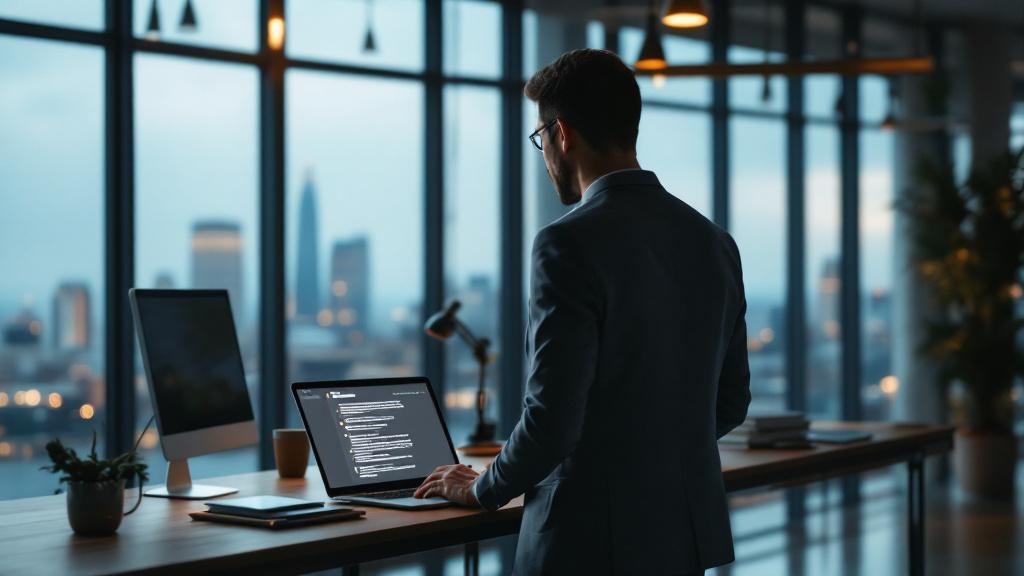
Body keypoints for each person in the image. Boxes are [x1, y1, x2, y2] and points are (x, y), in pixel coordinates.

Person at [414, 48, 751, 576]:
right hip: (682, 534)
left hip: (587, 544)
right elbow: (730, 401)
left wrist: (483, 487)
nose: (544, 154)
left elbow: (553, 420)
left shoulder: (566, 243)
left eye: (540, 139)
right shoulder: (714, 241)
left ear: (562, 133)